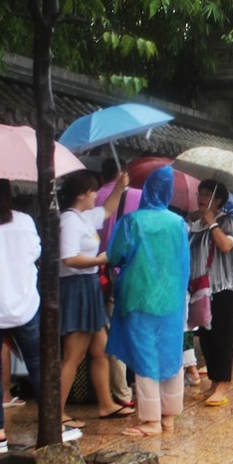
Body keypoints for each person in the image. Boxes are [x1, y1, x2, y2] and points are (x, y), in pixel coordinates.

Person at [0, 178, 81, 452]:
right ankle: (55, 427)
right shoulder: (24, 221)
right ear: (7, 194)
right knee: (39, 365)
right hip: (24, 304)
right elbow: (36, 252)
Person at [106, 166, 190, 436]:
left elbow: (115, 254)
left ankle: (151, 420)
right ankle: (168, 417)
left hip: (138, 296)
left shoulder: (133, 221)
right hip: (171, 298)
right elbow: (184, 264)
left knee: (145, 355)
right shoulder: (178, 223)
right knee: (170, 353)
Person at [58, 170, 136, 428]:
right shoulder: (69, 221)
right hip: (76, 286)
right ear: (81, 194)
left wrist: (119, 188)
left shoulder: (83, 217)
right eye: (92, 191)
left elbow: (107, 210)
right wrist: (101, 259)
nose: (95, 196)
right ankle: (55, 412)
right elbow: (69, 258)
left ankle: (105, 403)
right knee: (74, 355)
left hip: (89, 286)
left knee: (101, 351)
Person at [187, 179, 233, 407]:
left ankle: (222, 385)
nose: (201, 197)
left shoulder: (227, 222)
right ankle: (213, 382)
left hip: (225, 288)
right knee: (207, 338)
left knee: (222, 337)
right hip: (201, 290)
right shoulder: (195, 223)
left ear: (218, 199)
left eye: (207, 194)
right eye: (199, 192)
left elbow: (226, 246)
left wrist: (212, 223)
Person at [96, 158, 140, 408]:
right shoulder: (140, 197)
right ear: (124, 174)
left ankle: (122, 392)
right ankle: (134, 387)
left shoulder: (93, 199)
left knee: (111, 332)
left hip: (101, 274)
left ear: (103, 177)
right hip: (135, 273)